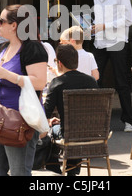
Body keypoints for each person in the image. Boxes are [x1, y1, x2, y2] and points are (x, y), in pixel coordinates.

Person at [0, 4, 48, 176]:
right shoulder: (3, 48)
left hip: (21, 121)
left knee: (19, 173)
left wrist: (7, 75)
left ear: (14, 25)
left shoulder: (33, 48)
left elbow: (39, 82)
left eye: (1, 21)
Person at [91, 0, 132, 132]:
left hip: (116, 41)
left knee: (121, 81)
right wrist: (93, 26)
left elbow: (128, 20)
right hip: (100, 42)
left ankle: (129, 121)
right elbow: (100, 20)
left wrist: (104, 26)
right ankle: (97, 121)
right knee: (95, 80)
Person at [44, 44, 99, 175]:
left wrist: (53, 120)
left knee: (53, 129)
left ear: (60, 63)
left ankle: (55, 168)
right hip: (94, 134)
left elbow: (45, 113)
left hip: (69, 134)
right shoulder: (91, 81)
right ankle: (73, 170)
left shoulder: (57, 83)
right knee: (74, 129)